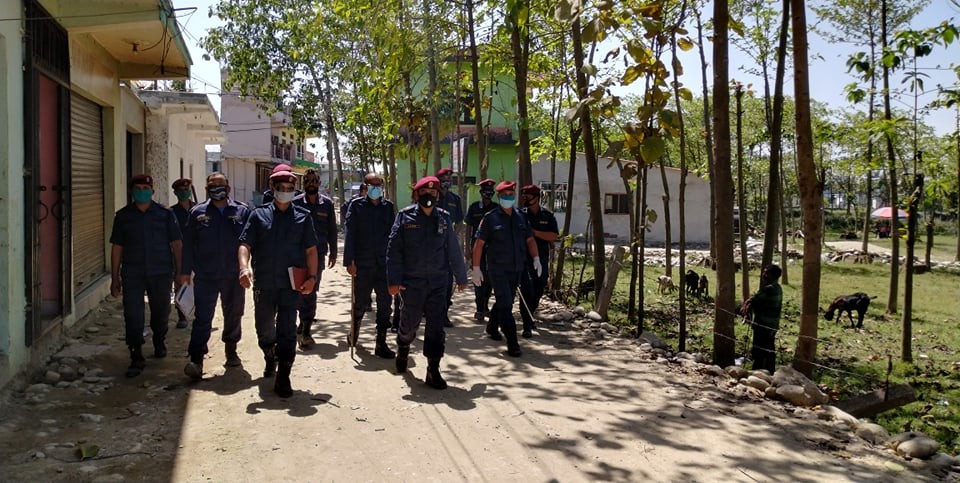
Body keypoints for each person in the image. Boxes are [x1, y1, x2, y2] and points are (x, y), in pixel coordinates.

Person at [238, 170, 319, 398]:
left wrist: (312, 278)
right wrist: (244, 268)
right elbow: (245, 245)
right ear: (272, 189)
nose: (285, 192)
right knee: (264, 329)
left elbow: (311, 251)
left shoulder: (303, 217)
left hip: (291, 285)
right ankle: (269, 353)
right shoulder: (258, 215)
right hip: (264, 284)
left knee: (287, 330)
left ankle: (284, 374)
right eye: (281, 188)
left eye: (290, 189)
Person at [386, 176, 468, 389]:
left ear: (438, 195)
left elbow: (453, 249)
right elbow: (394, 251)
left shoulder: (444, 218)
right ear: (417, 195)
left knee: (436, 326)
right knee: (409, 323)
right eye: (424, 193)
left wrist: (461, 276)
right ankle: (403, 347)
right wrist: (393, 280)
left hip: (438, 282)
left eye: (433, 193)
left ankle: (433, 369)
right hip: (412, 283)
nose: (429, 196)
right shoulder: (404, 217)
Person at [109, 174, 182, 377]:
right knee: (133, 315)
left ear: (152, 191)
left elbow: (177, 244)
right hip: (133, 273)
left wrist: (179, 272)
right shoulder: (123, 216)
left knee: (161, 312)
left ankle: (159, 339)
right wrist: (114, 278)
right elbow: (117, 248)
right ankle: (136, 355)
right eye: (138, 188)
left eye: (145, 188)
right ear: (131, 192)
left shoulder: (165, 215)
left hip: (161, 272)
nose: (142, 192)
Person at [179, 173, 251, 379]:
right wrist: (185, 271)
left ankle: (231, 349)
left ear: (228, 188)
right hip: (206, 275)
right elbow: (188, 245)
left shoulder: (242, 211)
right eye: (212, 185)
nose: (216, 188)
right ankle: (196, 359)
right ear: (206, 189)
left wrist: (247, 269)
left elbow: (249, 242)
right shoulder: (197, 213)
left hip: (233, 275)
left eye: (220, 185)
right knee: (203, 317)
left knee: (234, 313)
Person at [471, 181, 539, 357]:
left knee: (505, 301)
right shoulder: (490, 218)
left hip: (517, 268)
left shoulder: (520, 216)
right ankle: (512, 343)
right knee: (506, 304)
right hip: (497, 269)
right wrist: (476, 268)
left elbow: (530, 239)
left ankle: (492, 326)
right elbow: (479, 244)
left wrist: (536, 258)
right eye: (505, 195)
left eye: (511, 194)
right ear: (499, 196)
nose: (509, 197)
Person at [343, 172, 395, 358]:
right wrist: (349, 261)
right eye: (372, 185)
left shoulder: (388, 207)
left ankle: (381, 342)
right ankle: (354, 331)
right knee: (360, 303)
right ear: (365, 187)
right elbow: (350, 234)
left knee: (385, 304)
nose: (375, 188)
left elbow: (393, 235)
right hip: (363, 264)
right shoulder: (356, 206)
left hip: (383, 264)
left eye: (378, 185)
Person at [292, 169, 338, 349]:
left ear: (319, 183)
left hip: (318, 255)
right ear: (303, 184)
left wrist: (333, 252)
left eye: (313, 181)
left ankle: (306, 330)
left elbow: (332, 230)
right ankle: (302, 321)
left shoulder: (327, 204)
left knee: (311, 291)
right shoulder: (295, 202)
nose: (310, 184)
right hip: (298, 255)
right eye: (307, 181)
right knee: (298, 291)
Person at [518, 184, 559, 338]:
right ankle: (527, 324)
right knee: (526, 290)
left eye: (528, 196)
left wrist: (534, 232)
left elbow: (553, 236)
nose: (525, 199)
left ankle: (530, 313)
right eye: (523, 196)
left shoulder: (547, 216)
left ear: (537, 198)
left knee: (539, 288)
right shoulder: (520, 215)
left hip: (541, 258)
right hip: (524, 258)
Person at [739, 264, 783, 374]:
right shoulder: (778, 288)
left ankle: (758, 373)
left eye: (766, 273)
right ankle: (769, 372)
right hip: (772, 326)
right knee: (769, 350)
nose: (763, 275)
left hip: (763, 325)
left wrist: (746, 307)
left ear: (772, 275)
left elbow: (754, 300)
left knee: (759, 351)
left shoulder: (769, 289)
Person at [464, 178, 497, 322]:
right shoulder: (474, 208)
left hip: (492, 250)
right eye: (485, 191)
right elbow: (468, 228)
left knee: (489, 280)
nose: (488, 194)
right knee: (478, 278)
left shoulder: (496, 208)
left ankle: (485, 306)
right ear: (481, 192)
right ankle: (479, 308)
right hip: (477, 249)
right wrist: (467, 248)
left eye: (490, 191)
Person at [435, 167, 464, 328]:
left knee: (447, 281)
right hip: (432, 245)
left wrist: (452, 235)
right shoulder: (432, 196)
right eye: (444, 180)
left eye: (449, 180)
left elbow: (459, 221)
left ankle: (443, 313)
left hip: (447, 245)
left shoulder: (455, 199)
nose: (447, 182)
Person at [170, 178, 195, 329]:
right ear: (175, 193)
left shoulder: (199, 209)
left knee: (199, 283)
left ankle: (198, 312)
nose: (184, 193)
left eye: (186, 190)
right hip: (179, 253)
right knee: (179, 282)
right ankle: (182, 315)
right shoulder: (171, 212)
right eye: (180, 191)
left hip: (197, 252)